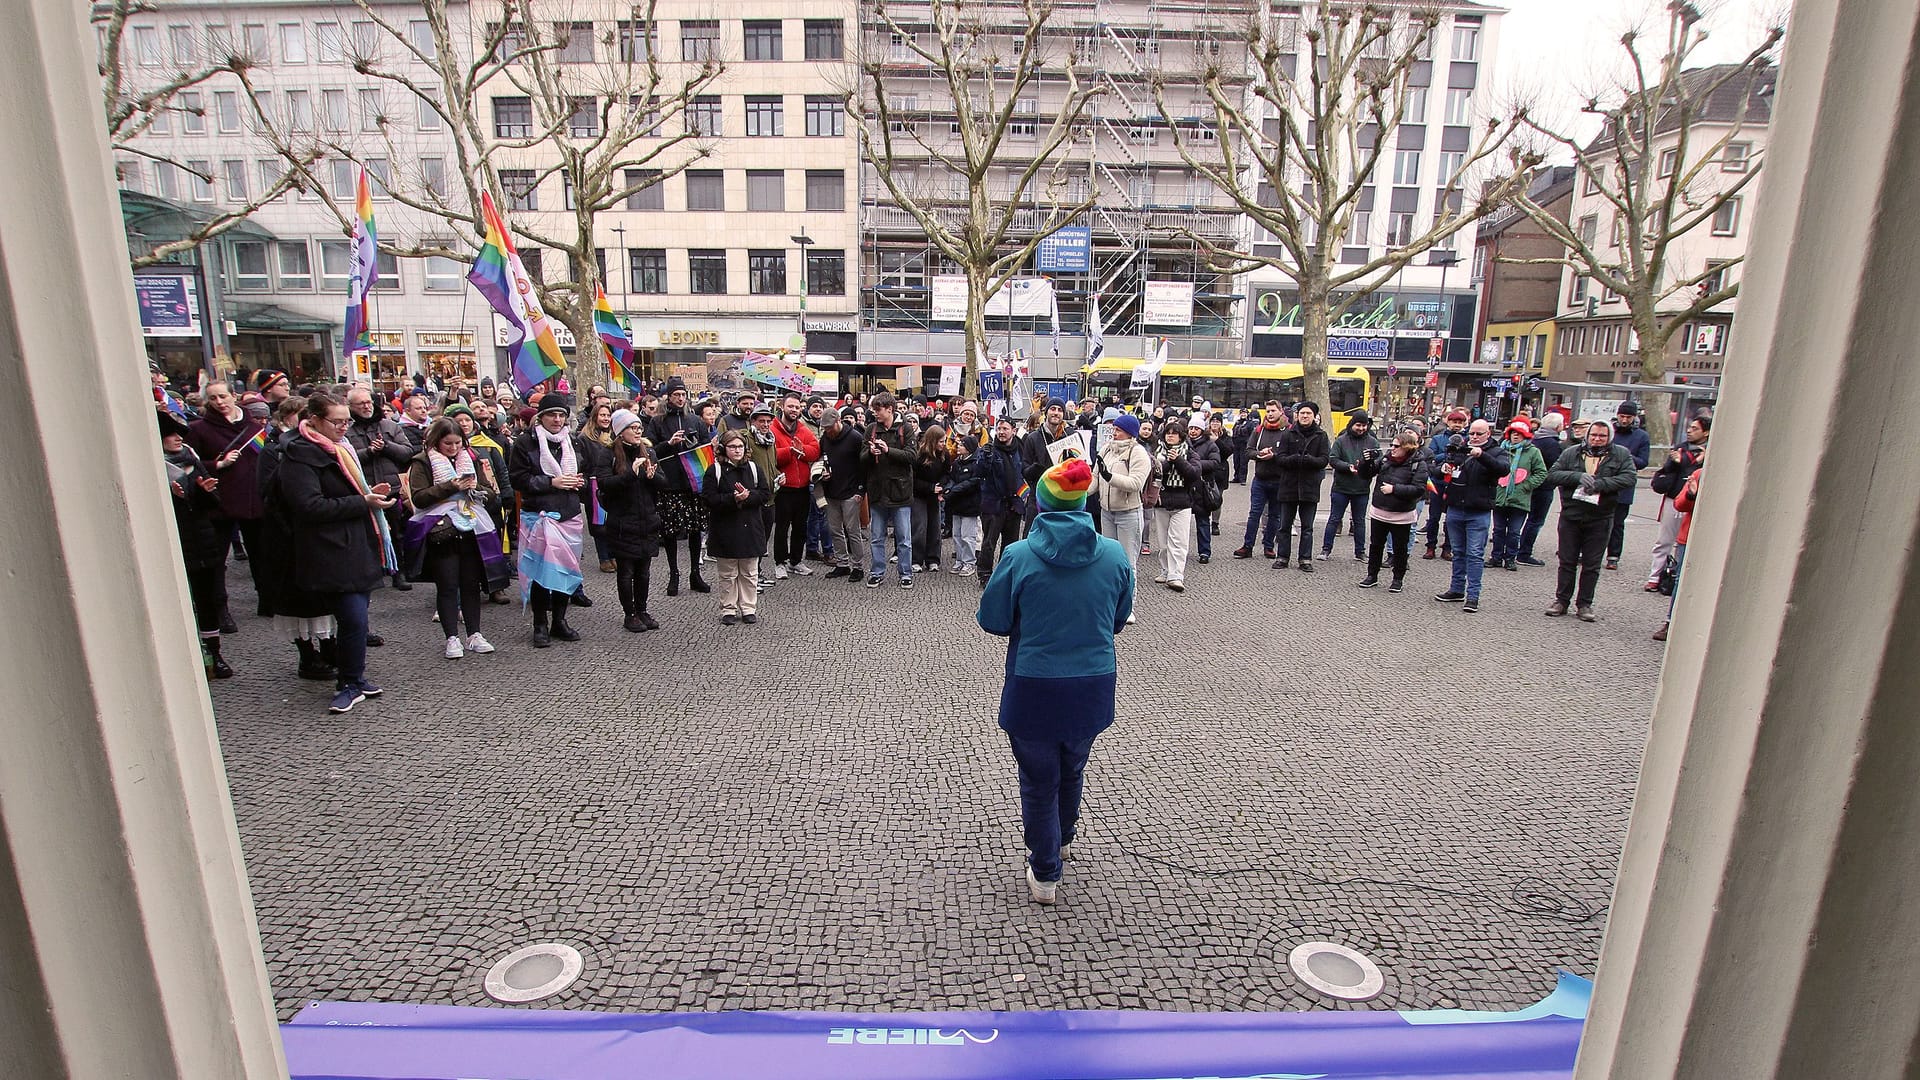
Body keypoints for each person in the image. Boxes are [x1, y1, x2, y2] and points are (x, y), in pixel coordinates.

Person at [977, 457, 1133, 906]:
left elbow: (994, 619)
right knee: (1073, 765)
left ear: (1042, 504)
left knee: (1038, 777)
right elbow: (1119, 618)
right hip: (1092, 680)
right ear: (1083, 502)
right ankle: (1063, 839)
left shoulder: (1019, 555)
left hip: (1035, 682)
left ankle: (1045, 869)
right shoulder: (1114, 554)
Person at [276, 393, 397, 714]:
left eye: (347, 421)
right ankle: (348, 682)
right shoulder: (299, 455)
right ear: (314, 420)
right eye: (338, 422)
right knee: (353, 618)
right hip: (329, 550)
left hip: (355, 543)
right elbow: (308, 505)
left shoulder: (339, 449)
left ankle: (353, 677)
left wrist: (369, 496)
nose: (345, 428)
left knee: (355, 620)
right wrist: (364, 502)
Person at [402, 418, 506, 659]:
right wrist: (450, 486)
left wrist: (477, 490)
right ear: (437, 441)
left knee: (471, 584)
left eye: (458, 443)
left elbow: (491, 491)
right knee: (448, 585)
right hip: (441, 530)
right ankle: (451, 637)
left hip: (471, 526)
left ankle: (474, 634)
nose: (453, 448)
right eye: (448, 443)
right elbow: (418, 497)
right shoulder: (422, 462)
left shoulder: (470, 458)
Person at [509, 393, 589, 647]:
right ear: (540, 417)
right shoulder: (525, 443)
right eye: (551, 415)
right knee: (542, 572)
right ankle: (540, 624)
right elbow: (518, 479)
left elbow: (584, 472)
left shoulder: (573, 441)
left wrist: (580, 481)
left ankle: (560, 621)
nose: (556, 419)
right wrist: (550, 482)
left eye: (561, 415)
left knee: (566, 569)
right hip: (540, 514)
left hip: (568, 514)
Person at [184, 380, 265, 625]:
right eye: (213, 398)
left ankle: (267, 600)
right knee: (217, 560)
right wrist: (217, 465)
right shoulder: (199, 429)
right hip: (219, 503)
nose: (219, 402)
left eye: (222, 396)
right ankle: (220, 608)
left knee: (261, 555)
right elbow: (189, 464)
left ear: (233, 396)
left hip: (254, 501)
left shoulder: (253, 426)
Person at [161, 409, 233, 679]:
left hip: (202, 538)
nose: (178, 438)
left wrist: (203, 493)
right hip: (177, 540)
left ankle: (214, 655)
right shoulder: (153, 466)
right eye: (171, 434)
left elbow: (212, 501)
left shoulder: (190, 457)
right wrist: (174, 498)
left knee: (207, 598)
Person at [1545, 418, 1638, 622]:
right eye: (1594, 435)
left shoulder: (1620, 454)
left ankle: (1584, 604)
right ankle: (1561, 600)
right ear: (1587, 435)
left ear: (1609, 437)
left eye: (1602, 436)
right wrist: (1577, 477)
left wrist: (1601, 483)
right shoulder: (1572, 452)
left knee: (1591, 564)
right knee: (1567, 561)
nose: (1597, 439)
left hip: (1601, 517)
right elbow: (1553, 474)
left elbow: (1630, 478)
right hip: (1571, 514)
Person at [643, 377, 712, 597]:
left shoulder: (695, 420)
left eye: (683, 395)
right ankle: (674, 574)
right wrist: (669, 444)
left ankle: (695, 573)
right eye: (676, 395)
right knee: (671, 532)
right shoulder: (657, 422)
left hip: (693, 483)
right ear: (669, 397)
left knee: (694, 529)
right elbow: (650, 450)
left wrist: (697, 445)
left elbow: (705, 447)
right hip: (670, 483)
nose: (680, 399)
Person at [344, 385, 416, 592]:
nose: (366, 407)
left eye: (368, 402)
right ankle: (372, 572)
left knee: (397, 533)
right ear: (351, 407)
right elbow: (345, 457)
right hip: (364, 488)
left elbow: (407, 452)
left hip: (391, 487)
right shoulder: (348, 430)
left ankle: (399, 572)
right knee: (367, 533)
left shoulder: (390, 425)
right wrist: (368, 452)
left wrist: (386, 446)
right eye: (361, 404)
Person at [1434, 419, 1510, 613]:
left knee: (1475, 554)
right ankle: (1457, 589)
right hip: (1455, 508)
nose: (1475, 437)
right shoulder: (1460, 448)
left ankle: (1473, 596)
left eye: (1479, 434)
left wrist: (1481, 455)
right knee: (1458, 552)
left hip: (1479, 510)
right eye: (1473, 434)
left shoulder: (1496, 451)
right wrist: (1442, 469)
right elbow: (1439, 467)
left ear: (1488, 434)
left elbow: (1502, 469)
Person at [601, 409, 666, 632]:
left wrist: (652, 477)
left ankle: (642, 610)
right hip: (622, 522)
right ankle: (629, 614)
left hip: (647, 520)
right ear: (620, 432)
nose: (638, 432)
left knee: (644, 571)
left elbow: (663, 483)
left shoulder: (649, 452)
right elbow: (604, 485)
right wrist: (630, 473)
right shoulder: (607, 454)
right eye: (633, 428)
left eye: (639, 427)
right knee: (626, 571)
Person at [703, 429, 772, 624]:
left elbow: (764, 494)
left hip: (750, 527)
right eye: (732, 447)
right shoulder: (714, 470)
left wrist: (748, 496)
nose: (737, 450)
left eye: (740, 446)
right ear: (724, 449)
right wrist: (732, 499)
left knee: (750, 572)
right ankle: (728, 609)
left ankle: (749, 608)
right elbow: (709, 499)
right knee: (728, 573)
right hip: (726, 528)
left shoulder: (753, 468)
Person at [1357, 430, 1429, 592]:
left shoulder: (1418, 464)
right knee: (1376, 545)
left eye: (1396, 446)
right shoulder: (1385, 460)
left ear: (1407, 447)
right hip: (1379, 511)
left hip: (1401, 515)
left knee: (1400, 548)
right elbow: (1365, 474)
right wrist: (1366, 462)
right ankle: (1372, 575)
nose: (1392, 449)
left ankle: (1397, 579)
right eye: (1391, 445)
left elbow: (1419, 489)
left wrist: (1395, 489)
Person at [1092, 414, 1152, 606]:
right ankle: (1110, 601)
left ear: (1129, 433)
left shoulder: (1138, 453)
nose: (1114, 433)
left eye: (1118, 430)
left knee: (1127, 562)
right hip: (1106, 511)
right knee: (1109, 559)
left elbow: (1135, 483)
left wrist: (1110, 477)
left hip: (1129, 513)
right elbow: (1095, 477)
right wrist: (1078, 494)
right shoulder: (1106, 449)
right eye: (1114, 429)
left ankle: (1128, 605)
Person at [1647, 414, 1710, 591]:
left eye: (1695, 428)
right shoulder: (1681, 448)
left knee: (1683, 541)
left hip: (1693, 500)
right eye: (1689, 427)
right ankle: (1655, 576)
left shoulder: (1711, 451)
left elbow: (1696, 474)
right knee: (1664, 539)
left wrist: (1692, 463)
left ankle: (1675, 577)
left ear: (1706, 433)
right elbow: (1666, 471)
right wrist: (1676, 463)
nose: (1689, 431)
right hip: (1673, 496)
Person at [1271, 402, 1331, 572]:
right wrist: (1295, 459)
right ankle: (1282, 557)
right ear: (1297, 415)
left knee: (1307, 527)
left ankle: (1305, 559)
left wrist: (1309, 460)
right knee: (1284, 526)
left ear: (1314, 416)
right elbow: (1280, 458)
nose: (1305, 416)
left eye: (1308, 413)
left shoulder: (1321, 436)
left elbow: (1324, 460)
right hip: (1288, 485)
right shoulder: (1288, 434)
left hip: (1309, 487)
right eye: (1302, 413)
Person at [865, 393, 917, 588]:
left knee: (903, 538)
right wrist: (870, 453)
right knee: (877, 537)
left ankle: (906, 573)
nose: (875, 413)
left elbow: (912, 457)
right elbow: (861, 459)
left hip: (900, 491)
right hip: (878, 491)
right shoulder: (871, 429)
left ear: (889, 409)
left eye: (878, 410)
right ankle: (877, 572)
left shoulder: (906, 428)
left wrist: (888, 451)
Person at [769, 391, 822, 579]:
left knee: (801, 526)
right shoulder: (772, 428)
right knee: (782, 527)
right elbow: (771, 455)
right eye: (790, 406)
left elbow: (815, 450)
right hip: (784, 487)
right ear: (782, 407)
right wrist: (790, 452)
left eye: (797, 407)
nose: (794, 410)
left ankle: (796, 561)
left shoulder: (803, 429)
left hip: (802, 487)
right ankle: (780, 563)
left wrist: (801, 451)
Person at [1149, 420, 1204, 592]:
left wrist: (1178, 460)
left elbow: (1194, 474)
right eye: (1168, 433)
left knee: (1178, 541)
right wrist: (1167, 462)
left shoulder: (1190, 453)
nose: (1170, 436)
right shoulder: (1156, 453)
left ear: (1181, 437)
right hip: (1162, 501)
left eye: (1174, 433)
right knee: (1164, 542)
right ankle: (1166, 570)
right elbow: (1153, 473)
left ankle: (1176, 575)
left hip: (1183, 501)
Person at [1654, 457, 1704, 641]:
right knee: (1681, 580)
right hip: (1688, 536)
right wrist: (1692, 495)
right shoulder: (1699, 474)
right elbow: (1679, 504)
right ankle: (1670, 622)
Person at [817, 406, 869, 582]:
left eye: (829, 427)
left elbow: (864, 465)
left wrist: (861, 490)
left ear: (838, 421)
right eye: (825, 428)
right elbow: (821, 459)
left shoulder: (855, 437)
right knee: (835, 530)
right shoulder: (825, 438)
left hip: (851, 492)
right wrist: (822, 474)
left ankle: (858, 566)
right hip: (831, 490)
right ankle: (842, 564)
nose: (828, 431)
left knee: (852, 531)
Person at [1489, 419, 1547, 571]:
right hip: (1500, 496)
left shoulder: (1533, 452)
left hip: (1520, 499)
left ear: (1525, 435)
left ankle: (1510, 558)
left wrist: (1527, 486)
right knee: (1498, 530)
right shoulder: (1500, 449)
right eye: (1513, 433)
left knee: (1514, 532)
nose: (1515, 436)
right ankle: (1496, 557)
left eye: (1519, 434)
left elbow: (1541, 472)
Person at [1234, 401, 1289, 559]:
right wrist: (1259, 454)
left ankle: (1269, 546)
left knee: (1274, 515)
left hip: (1279, 480)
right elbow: (1248, 451)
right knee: (1254, 514)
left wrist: (1276, 455)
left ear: (1280, 412)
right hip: (1260, 479)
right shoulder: (1259, 429)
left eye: (1273, 410)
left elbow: (1291, 454)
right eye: (1268, 411)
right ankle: (1247, 546)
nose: (1270, 414)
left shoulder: (1288, 430)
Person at [976, 416, 1027, 585]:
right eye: (999, 429)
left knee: (1010, 543)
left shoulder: (1020, 447)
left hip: (1014, 503)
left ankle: (1005, 573)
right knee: (989, 542)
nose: (1001, 432)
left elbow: (1024, 471)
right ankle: (984, 574)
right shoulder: (989, 448)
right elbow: (980, 472)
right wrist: (986, 459)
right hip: (994, 503)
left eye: (1005, 429)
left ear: (1013, 430)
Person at [1322, 410, 1377, 562]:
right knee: (1334, 519)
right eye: (1358, 425)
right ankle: (1326, 549)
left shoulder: (1372, 441)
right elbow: (1333, 459)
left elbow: (1378, 460)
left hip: (1362, 488)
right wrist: (1347, 467)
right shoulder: (1341, 440)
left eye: (1364, 425)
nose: (1361, 428)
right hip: (1341, 487)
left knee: (1359, 521)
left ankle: (1360, 552)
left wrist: (1368, 465)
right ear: (1352, 424)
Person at [1607, 401, 1652, 569]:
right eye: (1622, 416)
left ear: (1634, 418)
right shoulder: (1610, 431)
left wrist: (1626, 456)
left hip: (1624, 488)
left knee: (1617, 523)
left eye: (1628, 417)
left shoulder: (1641, 436)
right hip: (1604, 482)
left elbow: (1643, 462)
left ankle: (1613, 556)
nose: (1624, 420)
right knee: (1595, 521)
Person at [1517, 413, 1567, 566]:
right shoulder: (1552, 444)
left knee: (1522, 519)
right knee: (1535, 520)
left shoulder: (1533, 439)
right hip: (1542, 487)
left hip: (1526, 484)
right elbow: (1555, 468)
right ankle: (1524, 553)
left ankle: (1514, 550)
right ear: (1558, 427)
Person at [1019, 398, 1074, 527]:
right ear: (1046, 412)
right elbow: (1024, 470)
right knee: (1033, 537)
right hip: (1038, 497)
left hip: (1062, 498)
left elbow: (1080, 468)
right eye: (1053, 409)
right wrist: (1035, 468)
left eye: (1060, 410)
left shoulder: (1070, 437)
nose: (1056, 413)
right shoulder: (1033, 437)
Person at [1423, 409, 1469, 559]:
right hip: (1438, 482)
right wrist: (1448, 453)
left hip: (1456, 484)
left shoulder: (1467, 440)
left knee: (1452, 518)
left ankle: (1448, 548)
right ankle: (1430, 546)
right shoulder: (1438, 439)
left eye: (1460, 422)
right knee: (1434, 517)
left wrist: (1459, 452)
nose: (1456, 425)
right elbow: (1431, 456)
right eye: (1454, 422)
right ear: (1448, 422)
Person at [578, 399, 617, 574]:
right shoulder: (584, 438)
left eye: (608, 415)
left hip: (610, 483)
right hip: (593, 485)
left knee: (613, 522)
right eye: (602, 415)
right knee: (599, 525)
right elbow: (582, 463)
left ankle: (613, 554)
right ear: (595, 417)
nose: (606, 418)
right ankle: (604, 558)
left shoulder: (614, 436)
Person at [911, 425, 951, 573]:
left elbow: (947, 472)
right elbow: (912, 479)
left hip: (934, 495)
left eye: (944, 441)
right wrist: (930, 487)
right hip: (919, 495)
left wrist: (941, 486)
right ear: (933, 441)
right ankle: (916, 559)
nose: (943, 444)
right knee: (919, 527)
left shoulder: (944, 454)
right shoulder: (919, 455)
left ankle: (933, 559)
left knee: (934, 528)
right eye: (941, 441)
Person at [1186, 414, 1225, 564]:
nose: (1193, 431)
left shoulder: (1210, 444)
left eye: (1196, 428)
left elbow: (1215, 463)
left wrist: (1195, 465)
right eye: (1191, 428)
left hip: (1203, 487)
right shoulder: (1184, 442)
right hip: (1187, 487)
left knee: (1202, 522)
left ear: (1202, 430)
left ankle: (1204, 552)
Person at [945, 434, 984, 576]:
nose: (958, 447)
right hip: (956, 504)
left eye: (961, 445)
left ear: (969, 448)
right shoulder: (956, 463)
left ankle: (969, 562)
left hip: (970, 505)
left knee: (968, 536)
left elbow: (973, 482)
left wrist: (954, 489)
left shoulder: (976, 463)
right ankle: (960, 560)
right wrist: (948, 488)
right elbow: (951, 478)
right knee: (957, 535)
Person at [1230, 409, 1256, 484]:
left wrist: (1250, 444)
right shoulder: (1237, 422)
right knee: (1236, 461)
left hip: (1244, 445)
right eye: (1242, 413)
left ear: (1247, 414)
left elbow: (1252, 435)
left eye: (1245, 413)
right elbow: (1233, 431)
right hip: (1236, 445)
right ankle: (1236, 477)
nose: (1243, 414)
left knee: (1243, 463)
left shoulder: (1250, 423)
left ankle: (1243, 479)